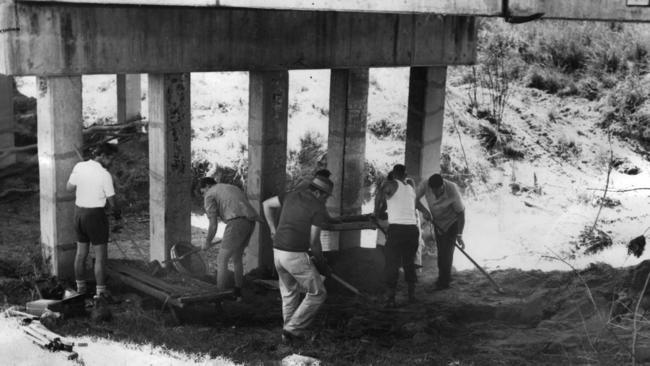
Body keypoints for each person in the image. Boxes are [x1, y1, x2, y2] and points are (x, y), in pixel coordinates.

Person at [262, 175, 333, 343]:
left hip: (277, 252)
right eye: (326, 196)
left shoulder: (290, 195)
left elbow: (266, 204)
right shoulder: (317, 207)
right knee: (318, 293)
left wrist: (273, 230)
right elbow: (314, 242)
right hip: (294, 254)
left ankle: (288, 335)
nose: (326, 200)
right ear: (319, 193)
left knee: (289, 293)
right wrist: (323, 266)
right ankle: (293, 330)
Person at [66, 143, 120, 302]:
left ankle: (80, 288)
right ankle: (101, 292)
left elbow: (69, 188)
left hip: (79, 214)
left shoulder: (79, 166)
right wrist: (117, 214)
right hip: (95, 216)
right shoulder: (104, 174)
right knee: (100, 256)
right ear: (104, 156)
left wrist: (83, 181)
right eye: (111, 159)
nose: (111, 162)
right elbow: (112, 201)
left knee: (81, 253)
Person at [199, 174, 259, 301]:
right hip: (250, 222)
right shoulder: (232, 187)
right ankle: (238, 293)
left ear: (208, 186)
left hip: (236, 223)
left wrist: (207, 242)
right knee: (237, 258)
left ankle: (219, 296)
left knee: (221, 260)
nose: (203, 195)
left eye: (202, 192)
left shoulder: (210, 194)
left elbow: (213, 225)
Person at [374, 164, 419, 306]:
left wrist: (376, 213)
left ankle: (391, 299)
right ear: (405, 175)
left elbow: (379, 198)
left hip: (397, 230)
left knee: (391, 264)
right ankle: (411, 296)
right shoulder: (410, 187)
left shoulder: (389, 184)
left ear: (393, 174)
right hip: (412, 230)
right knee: (409, 263)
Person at [415, 173, 465, 291]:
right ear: (430, 187)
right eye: (434, 191)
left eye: (439, 190)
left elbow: (461, 213)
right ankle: (442, 277)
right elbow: (414, 199)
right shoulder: (425, 185)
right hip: (438, 223)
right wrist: (425, 211)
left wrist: (459, 234)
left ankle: (444, 281)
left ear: (443, 185)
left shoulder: (452, 190)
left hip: (452, 223)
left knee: (447, 252)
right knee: (441, 251)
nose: (437, 194)